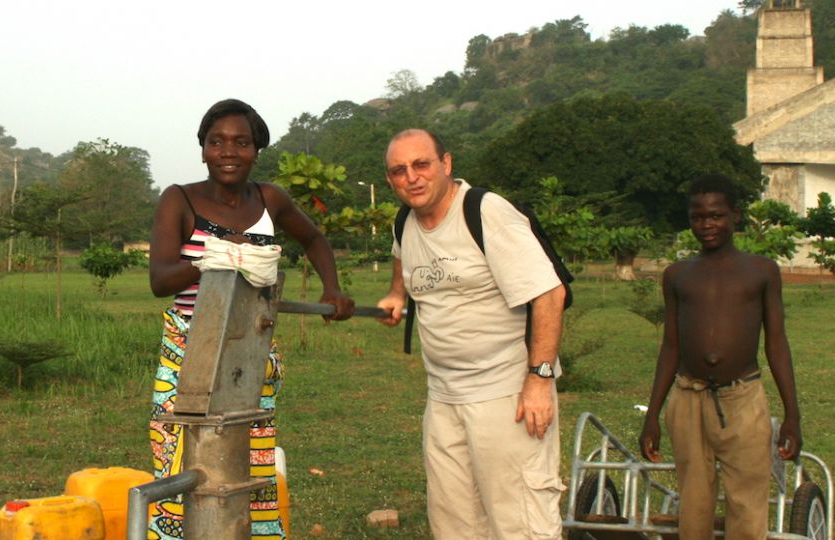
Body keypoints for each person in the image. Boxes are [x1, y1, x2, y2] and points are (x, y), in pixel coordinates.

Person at [147, 98, 354, 540]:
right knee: (183, 467)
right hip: (187, 356)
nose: (228, 151)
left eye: (241, 142)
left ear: (257, 150)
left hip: (250, 354)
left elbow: (314, 239)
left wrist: (332, 288)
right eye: (216, 141)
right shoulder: (179, 199)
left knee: (248, 464)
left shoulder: (269, 198)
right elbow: (160, 280)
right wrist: (212, 260)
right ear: (202, 148)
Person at [375, 129, 567, 539]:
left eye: (421, 164)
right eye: (399, 170)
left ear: (446, 164)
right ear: (390, 180)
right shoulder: (405, 220)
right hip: (443, 397)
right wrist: (396, 293)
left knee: (519, 520)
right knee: (454, 522)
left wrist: (539, 380)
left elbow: (550, 293)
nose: (412, 177)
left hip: (507, 393)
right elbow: (402, 258)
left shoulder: (484, 211)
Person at [639, 174, 802, 540]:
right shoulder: (678, 275)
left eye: (716, 216)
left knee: (746, 503)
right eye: (698, 217)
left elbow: (776, 343)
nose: (707, 225)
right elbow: (671, 347)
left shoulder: (761, 271)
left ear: (736, 216)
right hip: (688, 399)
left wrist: (792, 414)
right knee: (694, 505)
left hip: (742, 399)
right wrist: (652, 415)